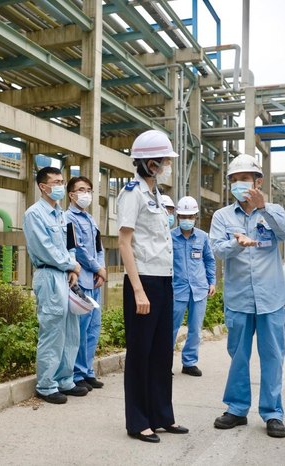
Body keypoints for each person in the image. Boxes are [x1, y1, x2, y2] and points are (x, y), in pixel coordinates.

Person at [209, 153, 285, 439]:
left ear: (257, 182)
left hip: (270, 298)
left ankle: (273, 413)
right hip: (239, 298)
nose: (238, 184)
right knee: (238, 356)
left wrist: (264, 208)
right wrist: (237, 243)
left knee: (272, 356)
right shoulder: (222, 216)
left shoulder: (273, 210)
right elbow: (217, 249)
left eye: (244, 178)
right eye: (234, 180)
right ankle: (237, 408)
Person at [118, 130, 188, 443]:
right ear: (149, 163)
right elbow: (124, 242)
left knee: (161, 352)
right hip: (143, 280)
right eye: (164, 161)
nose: (167, 166)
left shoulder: (156, 194)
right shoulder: (131, 193)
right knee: (140, 353)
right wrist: (137, 290)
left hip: (163, 280)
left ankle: (162, 416)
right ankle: (138, 421)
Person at [23, 167, 86, 404]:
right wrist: (71, 265)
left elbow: (69, 244)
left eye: (62, 181)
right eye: (56, 182)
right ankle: (46, 384)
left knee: (70, 329)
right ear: (43, 187)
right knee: (52, 330)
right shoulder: (34, 214)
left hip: (66, 274)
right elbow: (45, 249)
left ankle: (65, 380)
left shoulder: (61, 213)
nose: (61, 185)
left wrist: (72, 268)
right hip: (49, 275)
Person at [65, 176, 107, 391]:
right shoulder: (68, 218)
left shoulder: (90, 219)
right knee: (79, 330)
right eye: (81, 190)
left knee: (93, 328)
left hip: (95, 281)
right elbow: (79, 249)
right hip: (81, 281)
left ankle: (87, 370)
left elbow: (99, 247)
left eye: (89, 190)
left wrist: (102, 269)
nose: (86, 194)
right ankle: (77, 373)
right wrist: (97, 268)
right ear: (71, 195)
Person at [171, 196, 216, 376]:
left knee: (195, 329)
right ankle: (164, 363)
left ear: (196, 217)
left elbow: (209, 260)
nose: (187, 220)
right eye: (183, 216)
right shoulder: (170, 237)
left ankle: (189, 363)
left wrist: (212, 282)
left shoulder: (203, 237)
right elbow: (164, 264)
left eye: (190, 216)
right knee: (170, 328)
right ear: (178, 217)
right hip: (176, 290)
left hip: (199, 289)